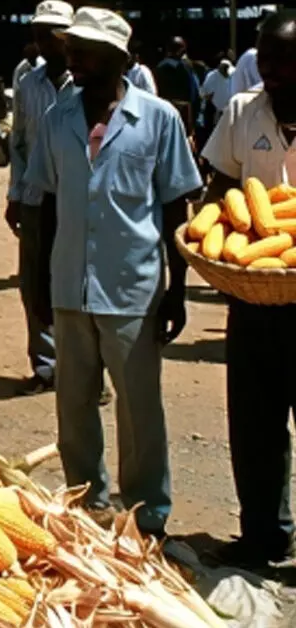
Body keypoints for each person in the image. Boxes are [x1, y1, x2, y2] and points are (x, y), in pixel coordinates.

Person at [26, 7, 201, 536]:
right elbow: (46, 205)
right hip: (70, 287)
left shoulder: (158, 119)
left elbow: (174, 208)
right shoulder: (58, 119)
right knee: (73, 406)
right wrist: (36, 280)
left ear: (117, 56)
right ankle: (87, 501)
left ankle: (148, 514)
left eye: (84, 49)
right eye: (70, 47)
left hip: (133, 287)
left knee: (139, 409)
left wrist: (178, 290)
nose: (72, 57)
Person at [201, 10, 296, 566]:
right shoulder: (242, 110)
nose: (270, 69)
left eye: (283, 58)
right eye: (264, 57)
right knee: (255, 422)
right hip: (254, 294)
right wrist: (217, 231)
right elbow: (222, 184)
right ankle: (264, 534)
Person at [6, 0, 73, 396]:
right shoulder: (28, 83)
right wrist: (15, 194)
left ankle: (86, 370)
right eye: (38, 32)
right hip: (35, 197)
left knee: (76, 281)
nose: (44, 39)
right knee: (34, 283)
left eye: (51, 32)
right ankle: (45, 366)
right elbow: (18, 143)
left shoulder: (84, 84)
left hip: (75, 200)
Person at [155, 36, 200, 134]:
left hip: (162, 116)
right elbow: (194, 95)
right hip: (183, 117)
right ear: (181, 51)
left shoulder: (158, 69)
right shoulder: (185, 69)